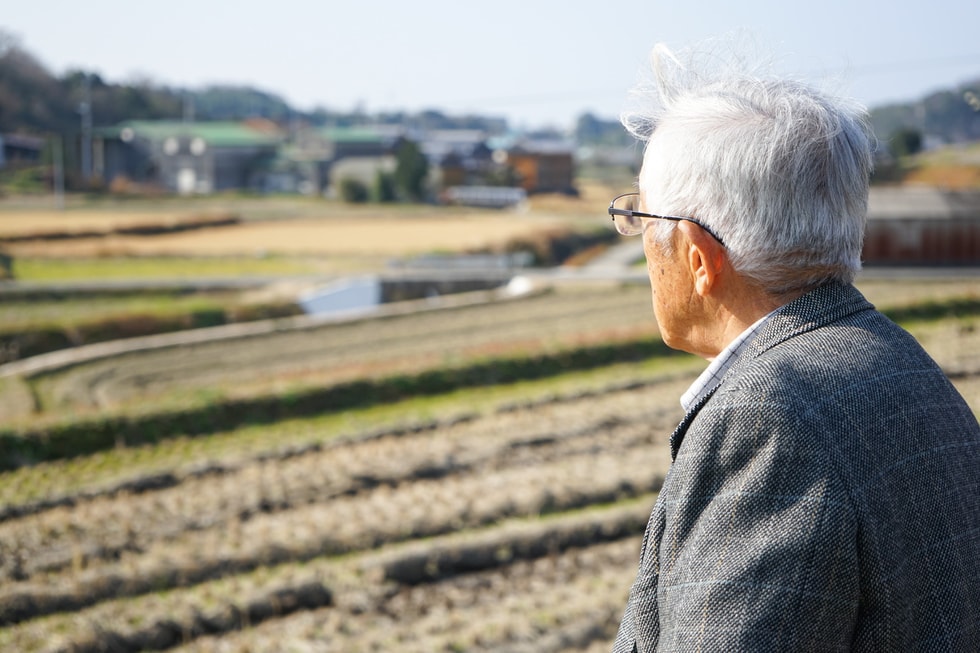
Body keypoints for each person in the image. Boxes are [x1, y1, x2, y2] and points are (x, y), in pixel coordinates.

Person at [608, 42, 980, 652]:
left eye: (642, 220)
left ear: (700, 259)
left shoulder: (768, 420)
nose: (640, 241)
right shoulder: (901, 362)